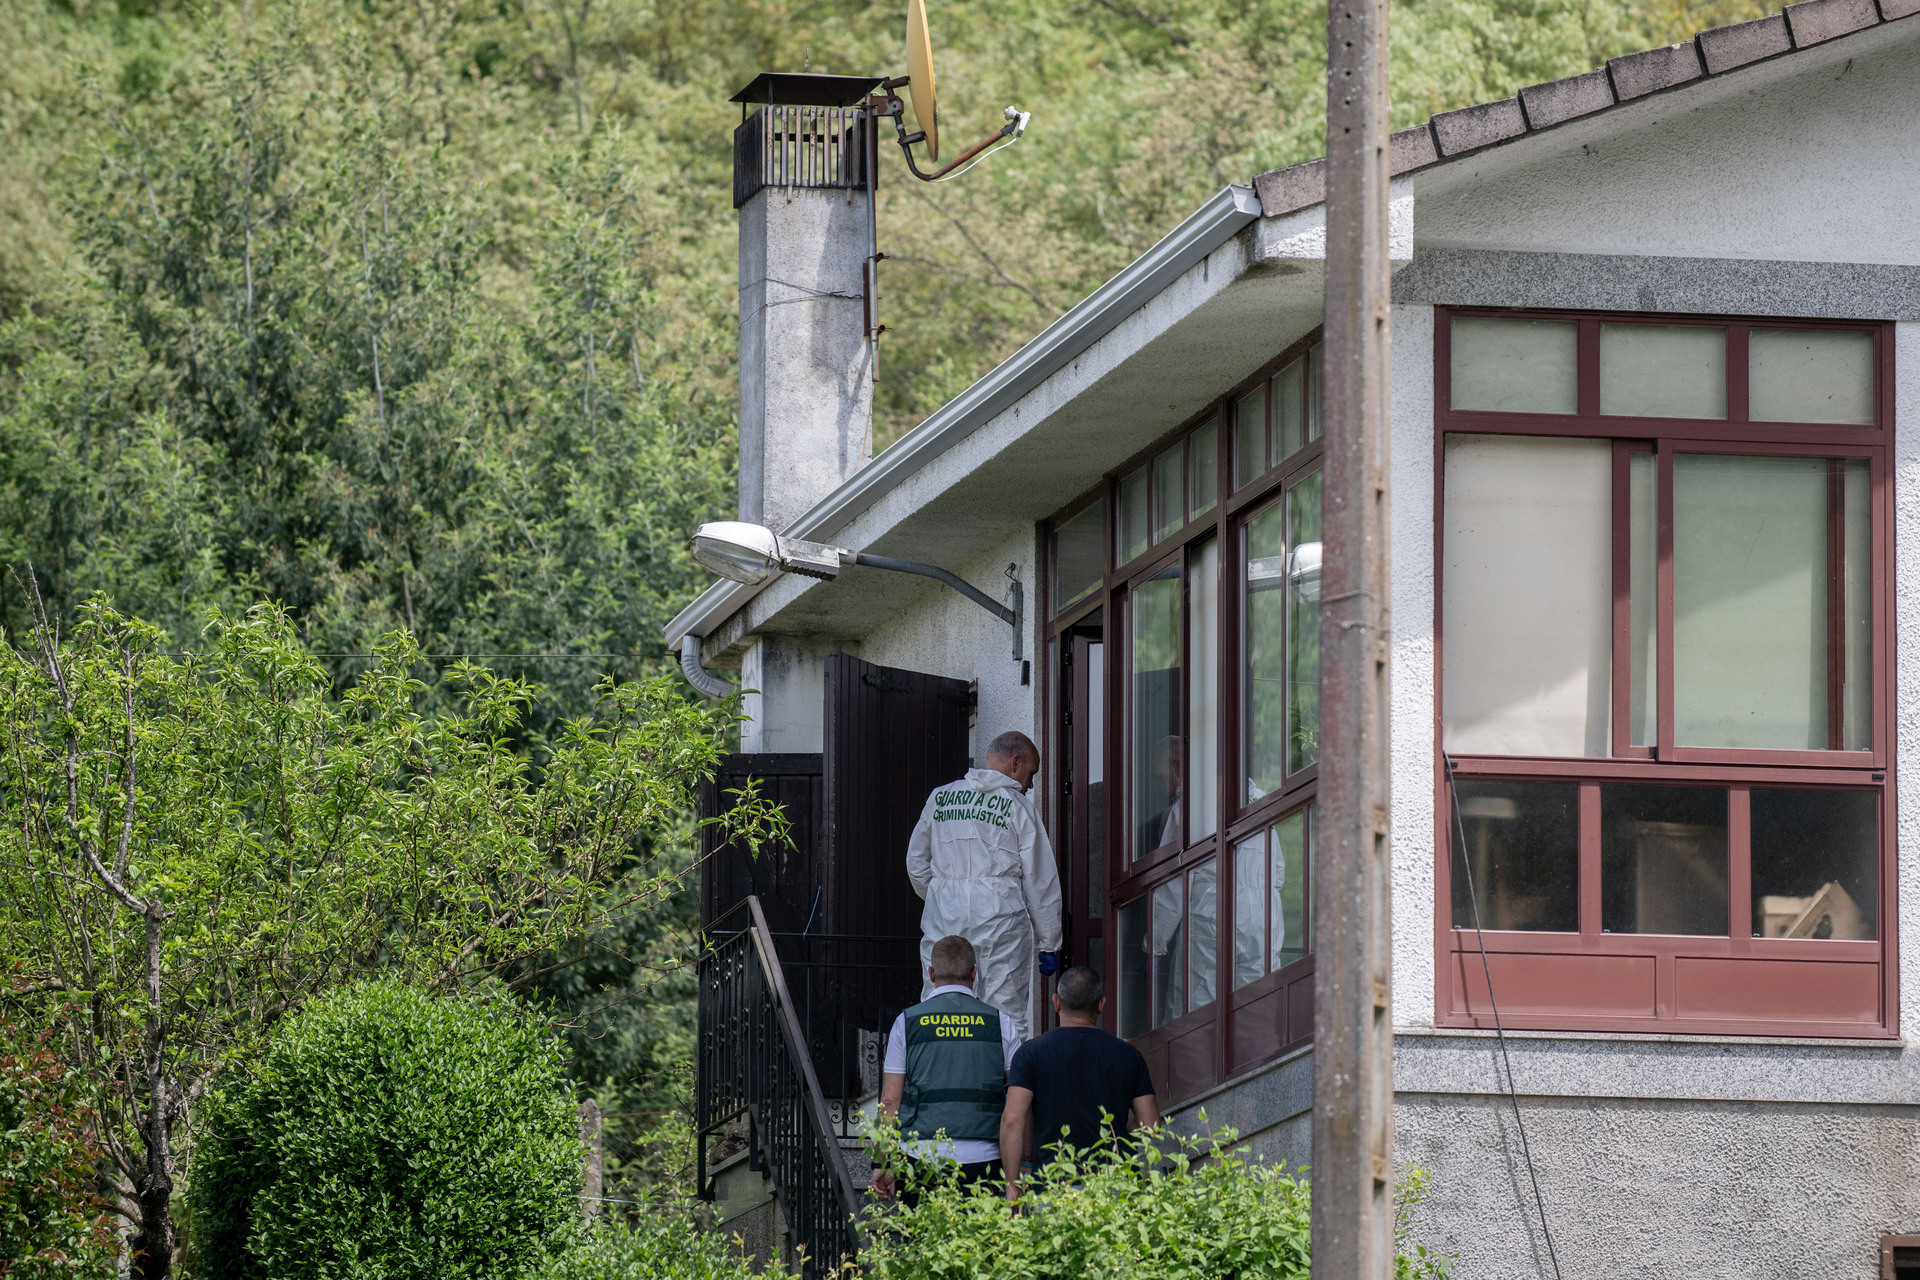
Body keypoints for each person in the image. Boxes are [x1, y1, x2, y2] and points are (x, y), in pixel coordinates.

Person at [905, 730, 1063, 1036]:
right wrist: (1049, 942)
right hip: (1000, 918)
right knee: (1004, 1011)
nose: (1030, 785)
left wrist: (939, 895)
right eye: (1031, 773)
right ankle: (1005, 1069)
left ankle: (939, 1065)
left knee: (940, 1004)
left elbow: (916, 862)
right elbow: (1040, 879)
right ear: (1015, 763)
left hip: (945, 916)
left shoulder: (940, 798)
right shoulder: (1017, 806)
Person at [873, 935, 1021, 1203]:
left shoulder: (906, 1022)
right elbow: (1018, 1103)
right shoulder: (1001, 1023)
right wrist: (1015, 1178)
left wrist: (881, 1162)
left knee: (922, 1231)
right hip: (985, 1159)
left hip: (920, 1156)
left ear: (931, 974)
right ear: (974, 973)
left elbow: (890, 1100)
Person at [999, 966, 1159, 1201]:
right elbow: (1151, 1127)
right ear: (1101, 1005)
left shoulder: (1030, 1053)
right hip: (1115, 1184)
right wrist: (1121, 1135)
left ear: (1056, 1002)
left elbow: (1012, 1121)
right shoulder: (1128, 1055)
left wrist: (1012, 1188)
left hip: (1052, 1185)